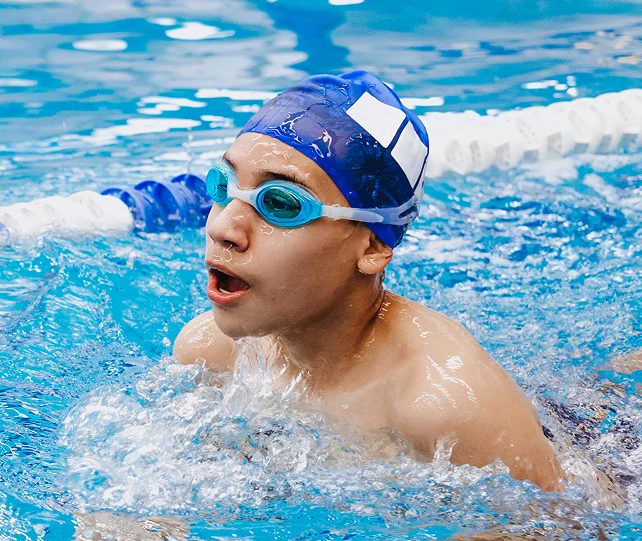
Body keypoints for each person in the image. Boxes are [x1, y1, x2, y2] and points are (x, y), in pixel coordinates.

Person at [173, 71, 564, 492]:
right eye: (224, 186)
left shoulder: (445, 404)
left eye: (281, 203)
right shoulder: (210, 352)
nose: (223, 228)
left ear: (373, 246)